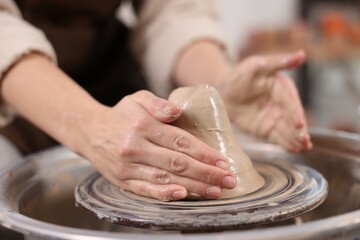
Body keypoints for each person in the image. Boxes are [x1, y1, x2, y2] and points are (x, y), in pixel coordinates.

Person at [0, 0, 312, 201]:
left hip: (111, 80)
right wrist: (89, 124)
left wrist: (218, 85)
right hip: (13, 95)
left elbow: (172, 10)